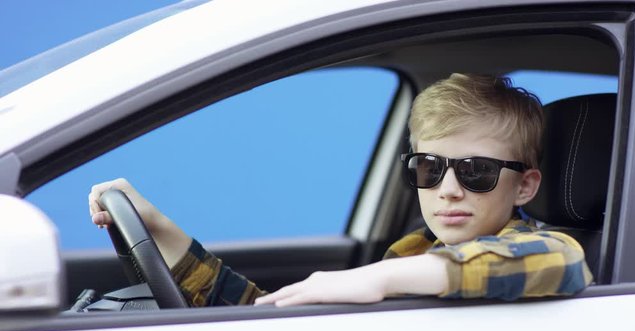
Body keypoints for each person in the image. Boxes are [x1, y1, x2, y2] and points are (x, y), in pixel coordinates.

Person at [88, 73, 593, 307]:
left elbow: (558, 260)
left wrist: (381, 278)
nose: (450, 189)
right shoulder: (414, 250)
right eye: (429, 167)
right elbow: (265, 315)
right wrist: (161, 229)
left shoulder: (543, 254)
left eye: (477, 171)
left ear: (525, 186)